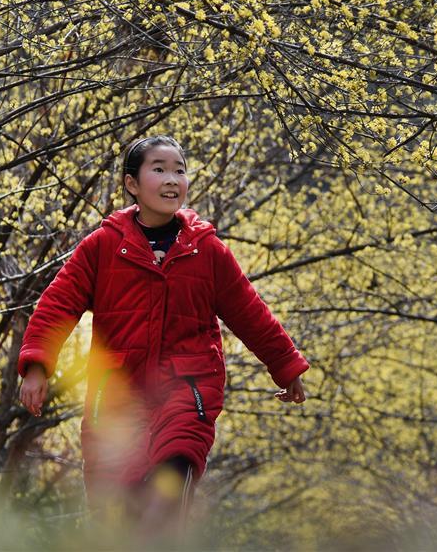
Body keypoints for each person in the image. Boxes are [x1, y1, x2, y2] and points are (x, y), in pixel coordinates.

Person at [16, 135, 309, 539]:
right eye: (159, 169)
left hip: (187, 391)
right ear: (132, 184)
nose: (173, 179)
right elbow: (57, 305)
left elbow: (249, 312)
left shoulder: (206, 251)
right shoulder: (103, 247)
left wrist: (286, 366)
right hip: (115, 398)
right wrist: (35, 366)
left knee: (169, 487)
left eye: (180, 170)